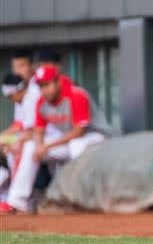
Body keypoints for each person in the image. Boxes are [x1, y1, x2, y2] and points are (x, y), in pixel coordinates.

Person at [0, 66, 111, 214]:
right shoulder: (42, 101)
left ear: (58, 81)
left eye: (47, 84)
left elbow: (79, 132)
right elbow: (38, 131)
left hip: (98, 137)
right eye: (41, 86)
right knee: (31, 146)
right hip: (69, 140)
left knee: (75, 146)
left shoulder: (76, 95)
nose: (44, 90)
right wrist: (40, 145)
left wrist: (49, 145)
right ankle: (18, 202)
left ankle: (80, 198)